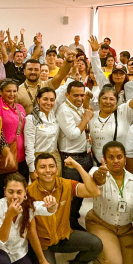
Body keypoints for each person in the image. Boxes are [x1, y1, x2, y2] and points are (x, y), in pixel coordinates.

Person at [26, 153, 102, 264]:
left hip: (64, 236)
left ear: (57, 169)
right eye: (42, 167)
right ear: (36, 172)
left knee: (96, 244)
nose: (48, 170)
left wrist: (78, 167)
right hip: (43, 243)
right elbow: (31, 231)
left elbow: (95, 192)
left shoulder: (66, 185)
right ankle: (35, 260)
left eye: (51, 166)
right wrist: (43, 262)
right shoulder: (28, 193)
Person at [84, 141, 133, 264]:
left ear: (124, 158)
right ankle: (92, 253)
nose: (116, 161)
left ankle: (111, 249)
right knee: (112, 263)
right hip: (101, 223)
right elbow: (96, 179)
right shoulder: (96, 172)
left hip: (125, 229)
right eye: (111, 157)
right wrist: (100, 174)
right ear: (103, 158)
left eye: (119, 156)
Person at [56, 81, 95, 230]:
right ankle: (66, 226)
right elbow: (72, 134)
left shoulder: (78, 108)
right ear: (67, 95)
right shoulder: (64, 110)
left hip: (84, 155)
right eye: (76, 95)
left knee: (80, 195)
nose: (80, 98)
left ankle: (73, 222)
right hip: (70, 158)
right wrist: (86, 119)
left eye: (82, 95)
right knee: (70, 196)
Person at [88, 80, 133, 166]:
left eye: (112, 99)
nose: (108, 102)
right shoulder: (92, 116)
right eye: (104, 98)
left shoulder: (123, 112)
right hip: (97, 166)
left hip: (119, 166)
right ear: (99, 100)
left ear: (117, 101)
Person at [24, 87, 61, 172]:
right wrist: (32, 169)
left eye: (52, 100)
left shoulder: (54, 116)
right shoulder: (31, 119)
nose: (49, 103)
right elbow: (29, 146)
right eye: (45, 99)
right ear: (38, 100)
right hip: (38, 160)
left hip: (54, 159)